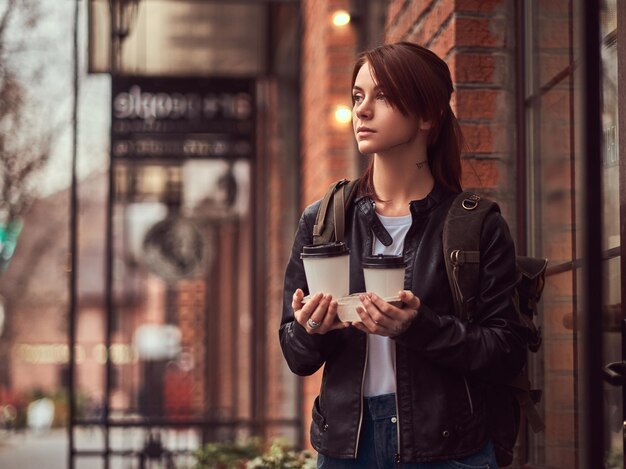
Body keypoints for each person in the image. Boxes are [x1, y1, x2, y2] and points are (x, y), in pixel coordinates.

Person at [279, 42, 527, 469]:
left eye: (383, 96)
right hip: (345, 449)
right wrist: (309, 329)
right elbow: (296, 355)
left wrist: (420, 327)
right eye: (358, 96)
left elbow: (507, 351)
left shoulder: (475, 224)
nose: (362, 110)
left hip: (448, 447)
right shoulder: (323, 219)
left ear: (428, 115)